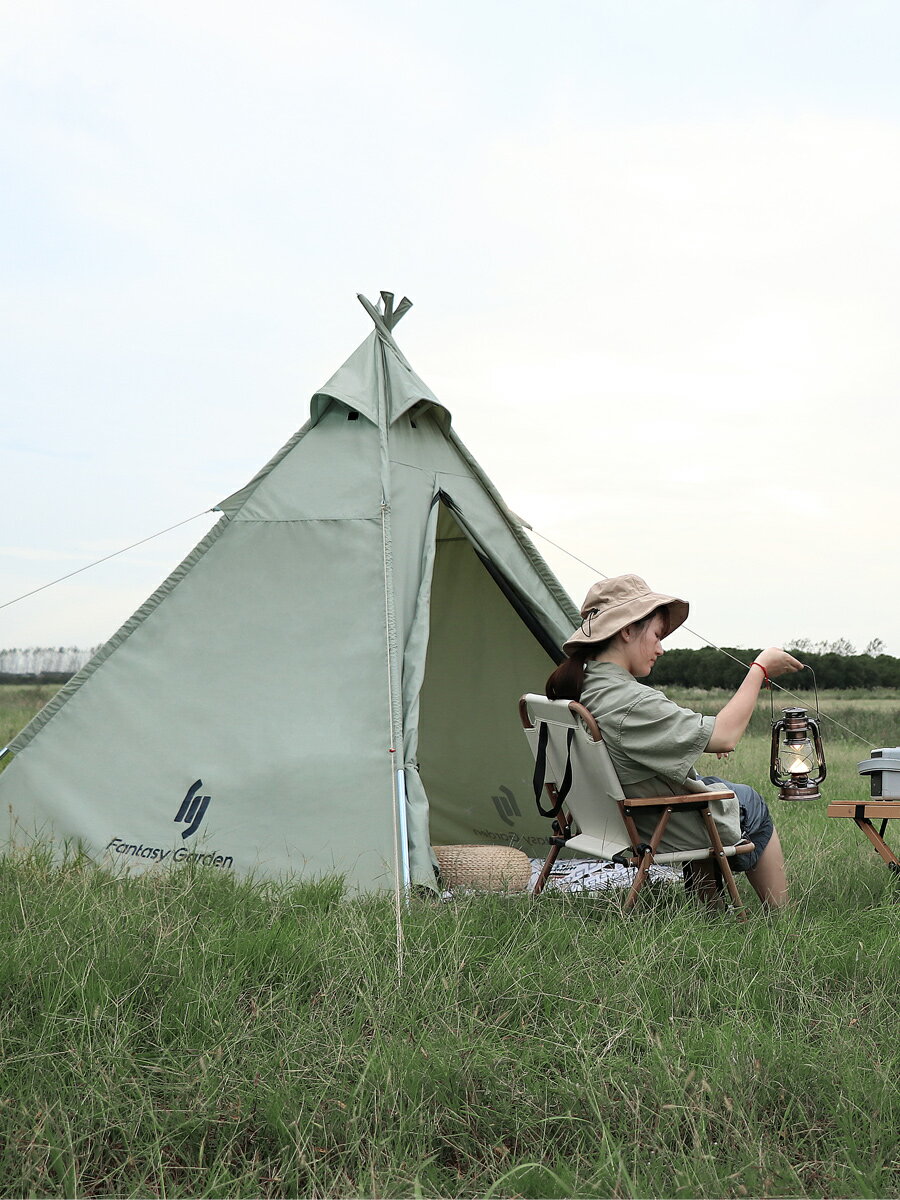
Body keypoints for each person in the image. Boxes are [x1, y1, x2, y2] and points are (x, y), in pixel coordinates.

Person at [546, 574, 803, 909]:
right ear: (626, 630)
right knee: (749, 801)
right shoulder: (630, 702)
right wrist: (759, 668)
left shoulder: (585, 688)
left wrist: (696, 740)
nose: (661, 648)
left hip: (606, 819)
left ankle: (710, 909)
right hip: (652, 825)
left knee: (708, 785)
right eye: (656, 635)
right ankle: (783, 920)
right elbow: (725, 736)